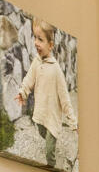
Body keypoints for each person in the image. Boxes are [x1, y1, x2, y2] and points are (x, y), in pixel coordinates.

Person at [17, 21, 75, 157]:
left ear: (50, 45)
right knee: (41, 131)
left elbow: (65, 97)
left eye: (40, 39)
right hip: (41, 112)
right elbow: (29, 79)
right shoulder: (36, 62)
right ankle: (51, 142)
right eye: (35, 37)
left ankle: (51, 163)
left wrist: (72, 120)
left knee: (49, 149)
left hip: (53, 116)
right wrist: (22, 92)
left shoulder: (56, 70)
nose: (36, 42)